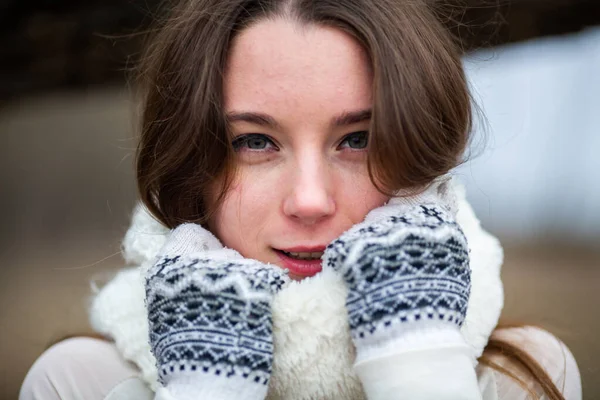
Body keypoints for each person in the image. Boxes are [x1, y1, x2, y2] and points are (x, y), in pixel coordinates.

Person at [20, 0, 582, 399]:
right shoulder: (80, 385)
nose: (310, 201)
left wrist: (420, 365)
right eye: (256, 142)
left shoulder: (523, 380)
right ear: (190, 164)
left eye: (357, 140)